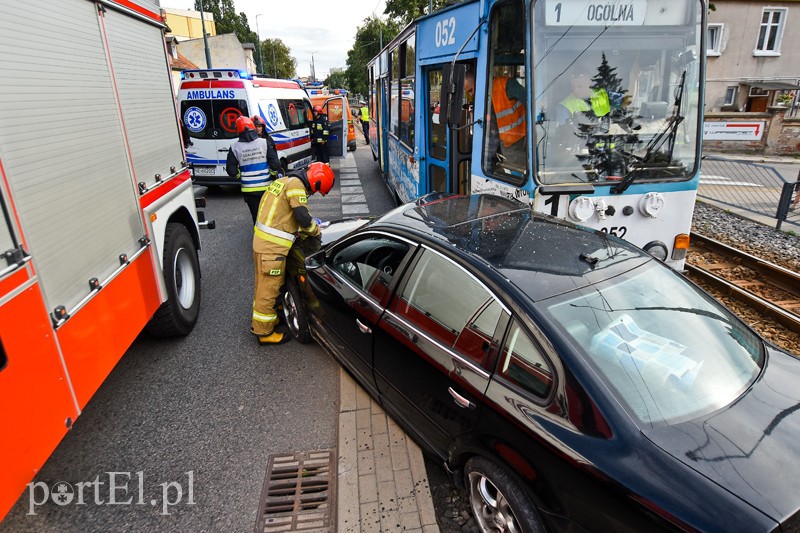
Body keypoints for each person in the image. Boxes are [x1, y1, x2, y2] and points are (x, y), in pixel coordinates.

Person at [250, 162, 335, 345]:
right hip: (273, 247)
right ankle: (264, 333)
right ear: (316, 182)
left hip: (263, 242)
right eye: (313, 192)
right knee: (269, 289)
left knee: (262, 285)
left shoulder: (284, 181)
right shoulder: (296, 186)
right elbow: (302, 217)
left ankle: (267, 320)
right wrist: (315, 230)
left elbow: (282, 215)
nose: (311, 195)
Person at [226, 116, 282, 224]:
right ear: (252, 127)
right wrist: (271, 174)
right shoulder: (264, 143)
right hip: (266, 187)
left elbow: (231, 170)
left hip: (249, 190)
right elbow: (275, 164)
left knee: (256, 216)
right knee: (270, 214)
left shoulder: (234, 147)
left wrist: (241, 176)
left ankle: (259, 238)